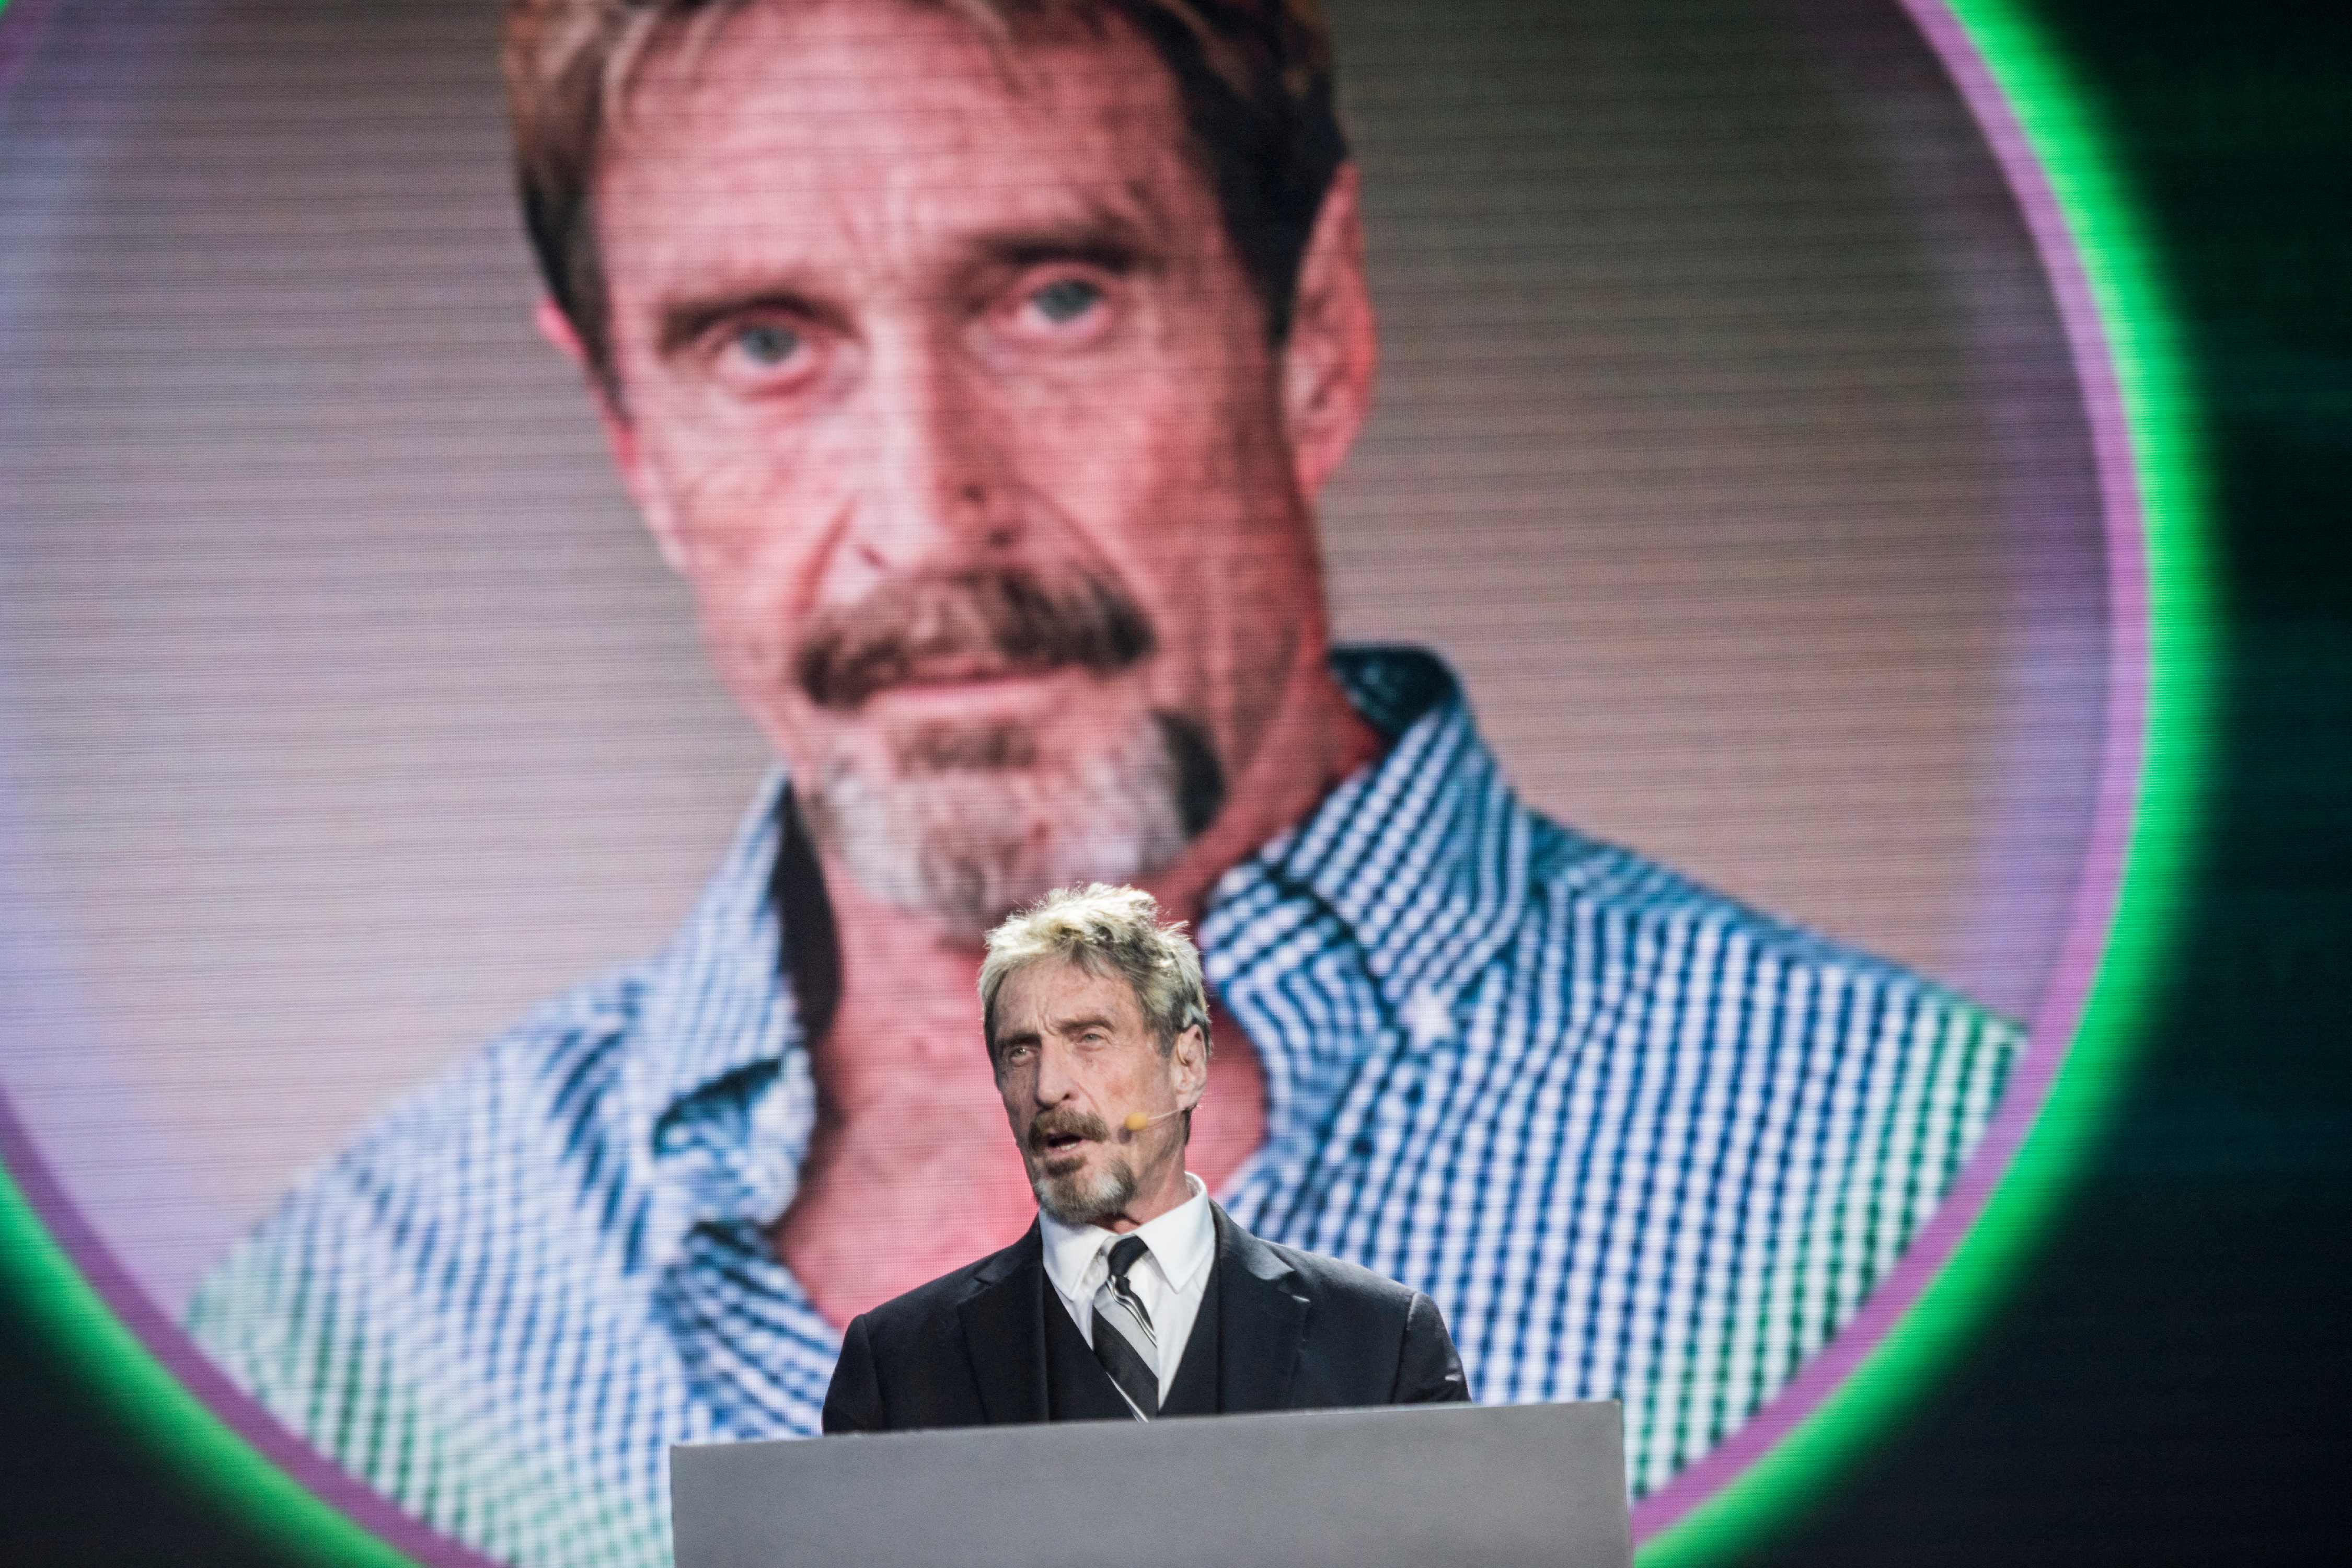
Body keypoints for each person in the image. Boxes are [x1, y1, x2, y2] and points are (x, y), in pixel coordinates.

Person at [187, 2, 2022, 1564]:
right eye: (764, 344)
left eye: (1054, 299)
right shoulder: (348, 1330)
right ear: (633, 439)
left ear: (1314, 331)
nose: (924, 516)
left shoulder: (1928, 1191)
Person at [821, 883, 1467, 1432]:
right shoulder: (900, 1364)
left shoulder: (1382, 1342)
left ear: (1186, 1065)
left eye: (1089, 1039)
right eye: (1020, 1051)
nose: (1048, 1087)